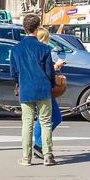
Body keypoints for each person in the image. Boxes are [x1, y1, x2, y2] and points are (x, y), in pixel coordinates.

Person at [11, 14, 59, 166]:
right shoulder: (44, 48)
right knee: (45, 122)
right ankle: (48, 155)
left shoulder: (16, 49)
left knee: (27, 123)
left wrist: (18, 84)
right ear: (38, 28)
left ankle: (26, 157)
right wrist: (52, 85)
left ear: (24, 28)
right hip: (43, 89)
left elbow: (14, 72)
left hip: (26, 89)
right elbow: (50, 71)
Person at [30, 27, 63, 159]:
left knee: (41, 119)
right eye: (47, 39)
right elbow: (46, 71)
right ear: (43, 39)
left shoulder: (31, 50)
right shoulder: (44, 50)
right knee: (55, 117)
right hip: (44, 89)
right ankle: (39, 145)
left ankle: (38, 147)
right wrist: (55, 68)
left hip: (32, 88)